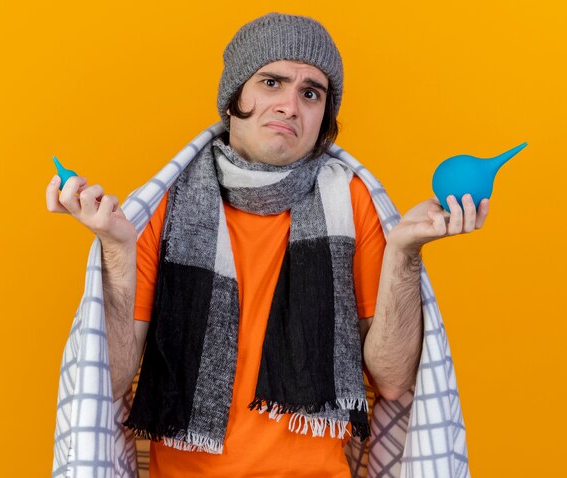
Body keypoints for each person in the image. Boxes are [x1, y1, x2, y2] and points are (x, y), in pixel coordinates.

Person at [46, 12, 488, 478]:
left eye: (310, 93)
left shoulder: (353, 203)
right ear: (234, 95)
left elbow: (395, 383)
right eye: (271, 82)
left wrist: (404, 252)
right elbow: (110, 380)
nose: (289, 106)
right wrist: (116, 250)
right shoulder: (167, 207)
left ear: (324, 118)